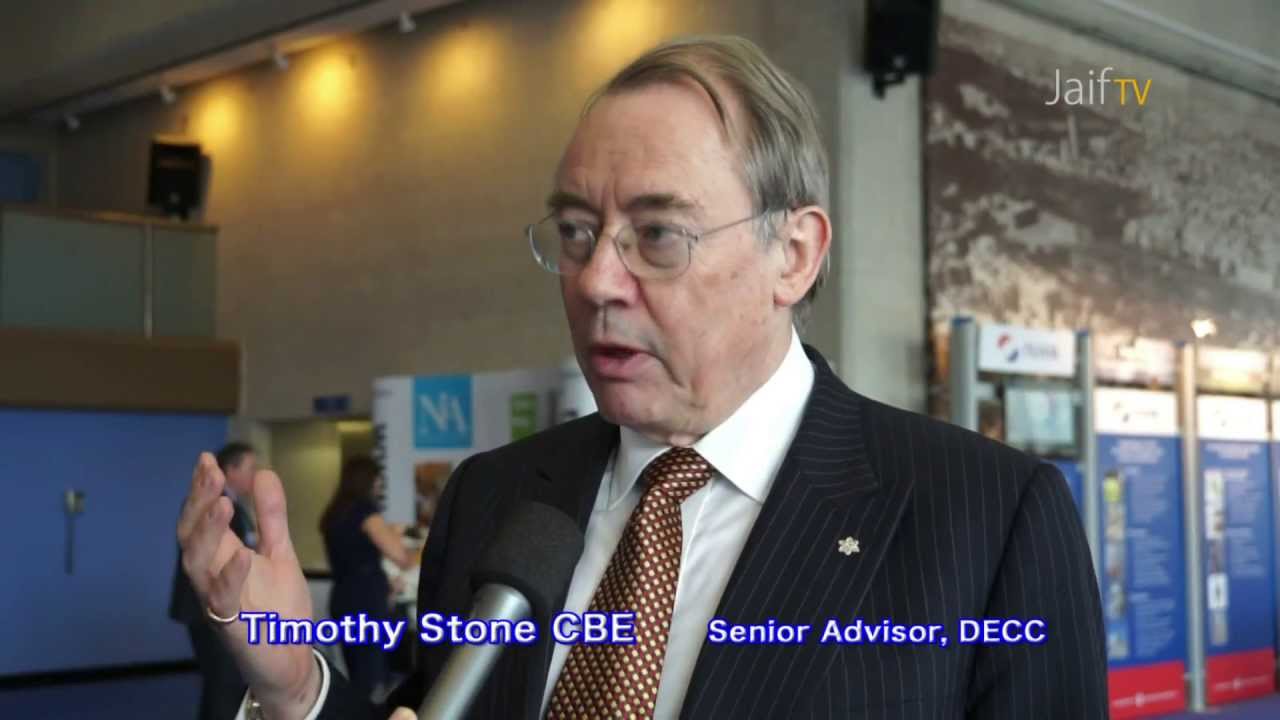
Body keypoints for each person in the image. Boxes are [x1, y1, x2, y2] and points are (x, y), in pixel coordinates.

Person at [176, 35, 1107, 720]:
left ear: (793, 254)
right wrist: (295, 687)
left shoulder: (985, 521)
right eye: (577, 233)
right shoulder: (496, 500)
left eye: (657, 235)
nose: (595, 281)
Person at [168, 441, 258, 720]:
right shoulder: (215, 505)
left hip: (217, 606)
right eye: (250, 468)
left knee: (222, 680)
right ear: (230, 470)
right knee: (224, 680)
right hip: (208, 605)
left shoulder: (236, 507)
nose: (254, 475)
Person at [319, 456, 416, 702]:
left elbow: (355, 559)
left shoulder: (334, 513)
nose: (379, 488)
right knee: (372, 678)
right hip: (366, 602)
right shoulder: (366, 513)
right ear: (369, 481)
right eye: (378, 482)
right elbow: (401, 557)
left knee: (358, 675)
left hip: (342, 598)